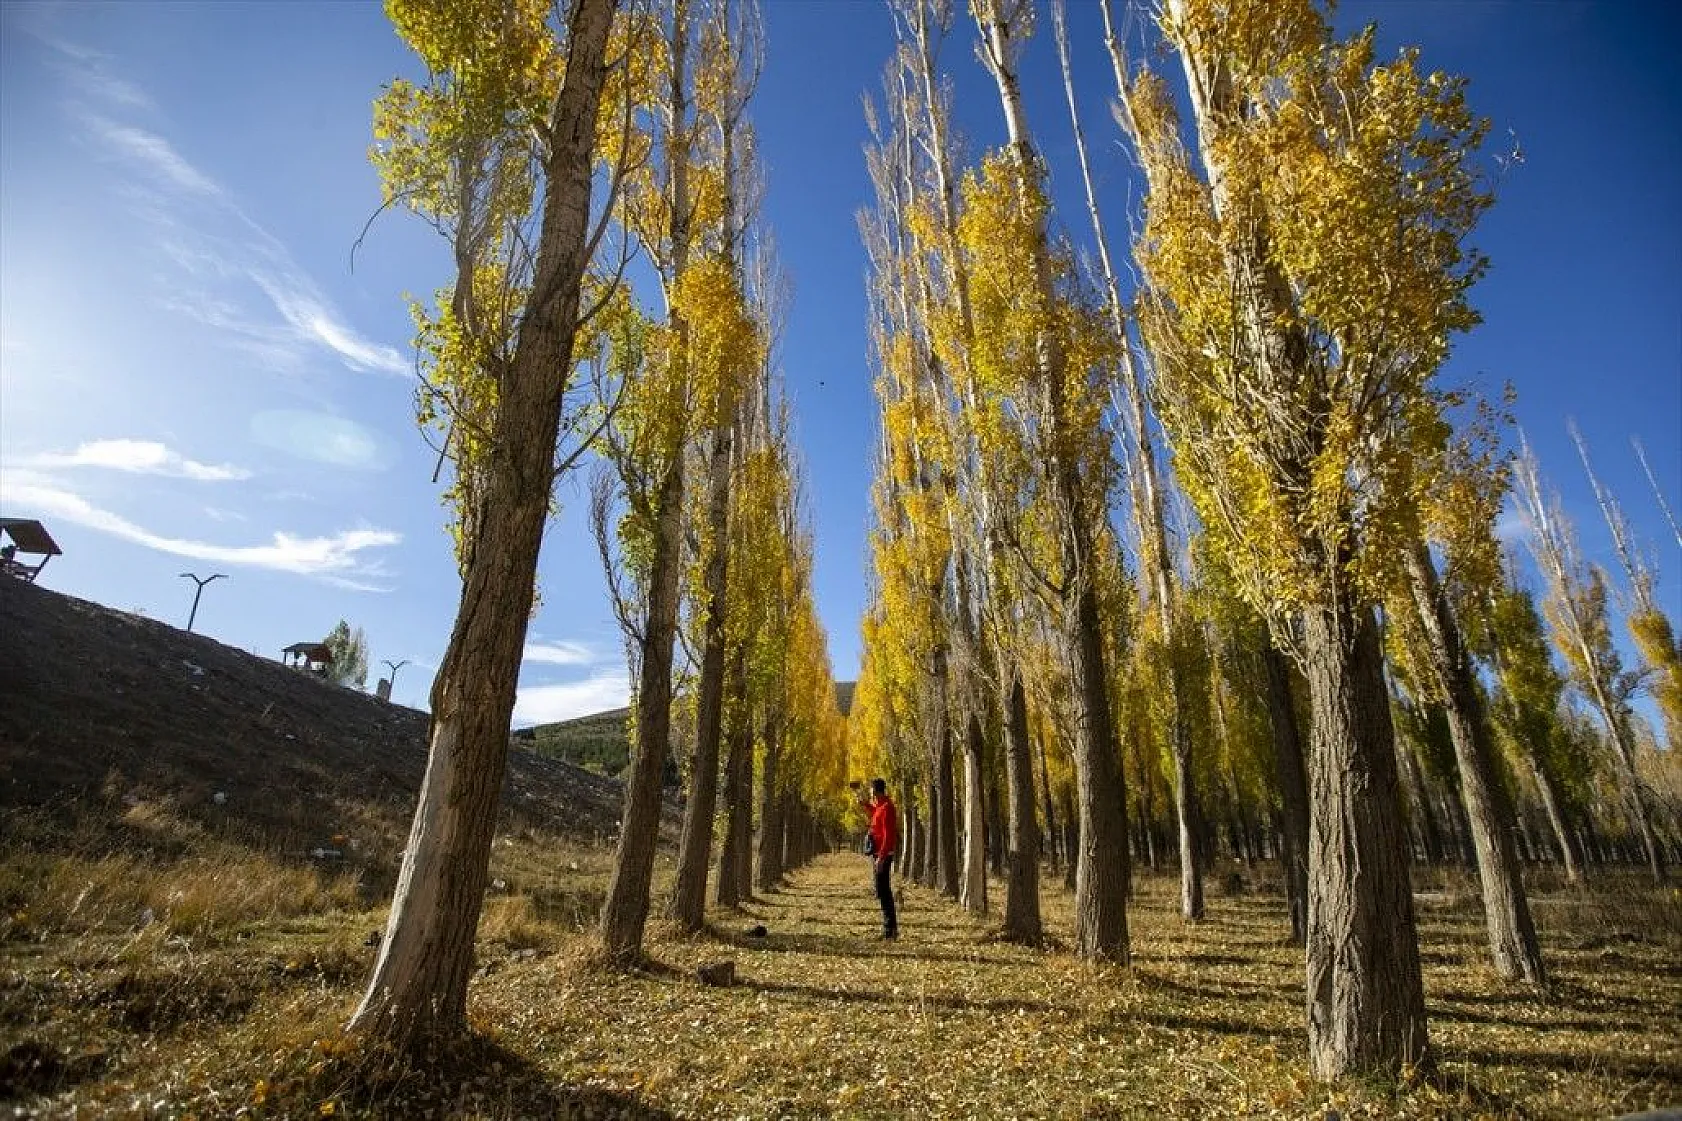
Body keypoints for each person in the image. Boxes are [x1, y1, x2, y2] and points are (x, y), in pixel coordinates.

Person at [854, 777, 899, 939]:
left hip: (883, 854)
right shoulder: (880, 807)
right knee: (880, 890)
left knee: (884, 890)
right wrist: (864, 804)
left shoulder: (887, 808)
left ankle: (890, 930)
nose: (870, 794)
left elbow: (889, 835)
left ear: (877, 791)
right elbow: (874, 813)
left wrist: (881, 858)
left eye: (872, 791)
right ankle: (889, 928)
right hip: (877, 853)